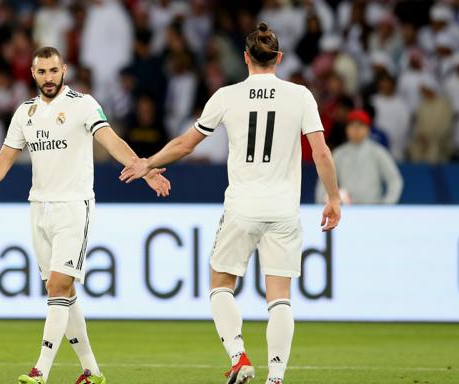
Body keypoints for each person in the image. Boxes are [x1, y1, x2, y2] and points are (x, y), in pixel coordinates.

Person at [120, 23, 341, 384]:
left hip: (242, 205)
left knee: (220, 285)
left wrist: (147, 161)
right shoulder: (300, 95)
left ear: (245, 58)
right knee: (280, 297)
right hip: (284, 207)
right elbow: (320, 151)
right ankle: (277, 378)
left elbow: (185, 144)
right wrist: (332, 198)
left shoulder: (227, 95)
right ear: (279, 58)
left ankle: (239, 358)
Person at [0, 47, 170, 384]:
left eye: (54, 71)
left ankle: (40, 369)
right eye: (42, 72)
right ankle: (92, 370)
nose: (48, 78)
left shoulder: (82, 104)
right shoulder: (24, 113)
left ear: (65, 70)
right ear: (33, 73)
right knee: (63, 291)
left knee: (59, 284)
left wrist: (144, 170)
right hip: (38, 207)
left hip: (74, 207)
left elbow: (111, 140)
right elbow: (3, 159)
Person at [316, 109, 403, 204]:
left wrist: (386, 205)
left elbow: (394, 180)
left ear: (368, 129)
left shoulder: (378, 152)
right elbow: (325, 180)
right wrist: (323, 201)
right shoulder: (339, 153)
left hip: (372, 209)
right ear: (346, 129)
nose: (356, 129)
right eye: (352, 125)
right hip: (346, 210)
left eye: (360, 125)